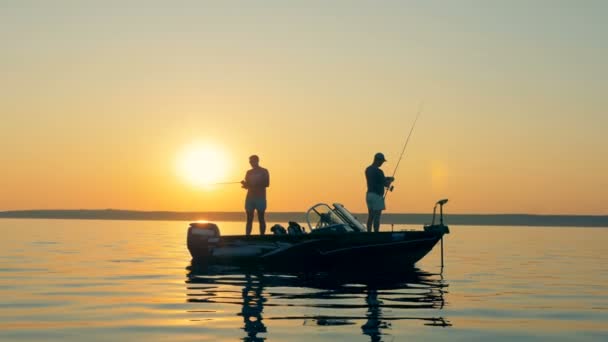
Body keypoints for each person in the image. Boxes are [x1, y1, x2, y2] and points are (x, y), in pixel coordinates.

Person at [365, 152, 394, 233]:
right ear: (378, 160)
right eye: (381, 161)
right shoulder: (379, 171)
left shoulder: (368, 169)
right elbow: (385, 183)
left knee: (370, 216)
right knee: (377, 216)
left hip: (369, 195)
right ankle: (376, 234)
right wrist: (390, 180)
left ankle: (369, 233)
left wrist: (387, 178)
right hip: (377, 196)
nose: (382, 163)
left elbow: (377, 180)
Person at [241, 155, 270, 236]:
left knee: (261, 218)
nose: (250, 163)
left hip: (260, 198)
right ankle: (247, 236)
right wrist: (244, 184)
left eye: (252, 161)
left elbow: (267, 184)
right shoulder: (248, 172)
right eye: (250, 161)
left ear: (257, 161)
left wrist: (252, 185)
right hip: (250, 198)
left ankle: (262, 236)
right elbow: (247, 186)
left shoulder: (264, 171)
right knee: (249, 219)